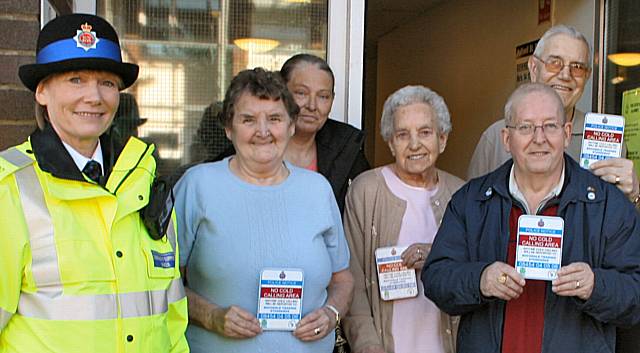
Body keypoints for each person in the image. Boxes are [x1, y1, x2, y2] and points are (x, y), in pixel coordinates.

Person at [0, 14, 188, 352]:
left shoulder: (145, 182)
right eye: (76, 79)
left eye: (107, 83)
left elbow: (172, 319)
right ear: (42, 92)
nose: (94, 96)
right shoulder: (9, 187)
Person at [422, 83, 640, 353]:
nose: (539, 138)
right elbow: (436, 277)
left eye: (550, 126)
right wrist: (480, 279)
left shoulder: (609, 204)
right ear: (506, 138)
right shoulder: (472, 201)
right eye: (525, 127)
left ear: (567, 133)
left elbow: (635, 294)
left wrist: (595, 285)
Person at [174, 68, 354, 353]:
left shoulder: (317, 190)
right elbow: (163, 283)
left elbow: (343, 280)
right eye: (248, 119)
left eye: (275, 119)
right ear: (228, 128)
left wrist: (331, 313)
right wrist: (210, 316)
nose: (263, 131)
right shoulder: (197, 186)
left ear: (291, 126)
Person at [343, 85, 464, 353]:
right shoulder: (366, 190)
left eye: (425, 132)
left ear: (442, 139)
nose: (414, 144)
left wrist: (437, 256)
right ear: (390, 142)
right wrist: (367, 344)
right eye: (402, 134)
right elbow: (351, 275)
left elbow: (473, 272)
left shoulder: (461, 194)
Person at [467, 25, 639, 206]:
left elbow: (623, 224)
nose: (565, 75)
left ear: (587, 76)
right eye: (555, 63)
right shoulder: (495, 139)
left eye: (577, 67)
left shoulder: (608, 142)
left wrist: (635, 196)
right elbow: (471, 211)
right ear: (534, 68)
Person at [279, 53, 370, 214]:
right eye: (301, 93)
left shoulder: (347, 151)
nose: (312, 106)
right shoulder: (254, 150)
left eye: (323, 96)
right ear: (281, 93)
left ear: (332, 100)